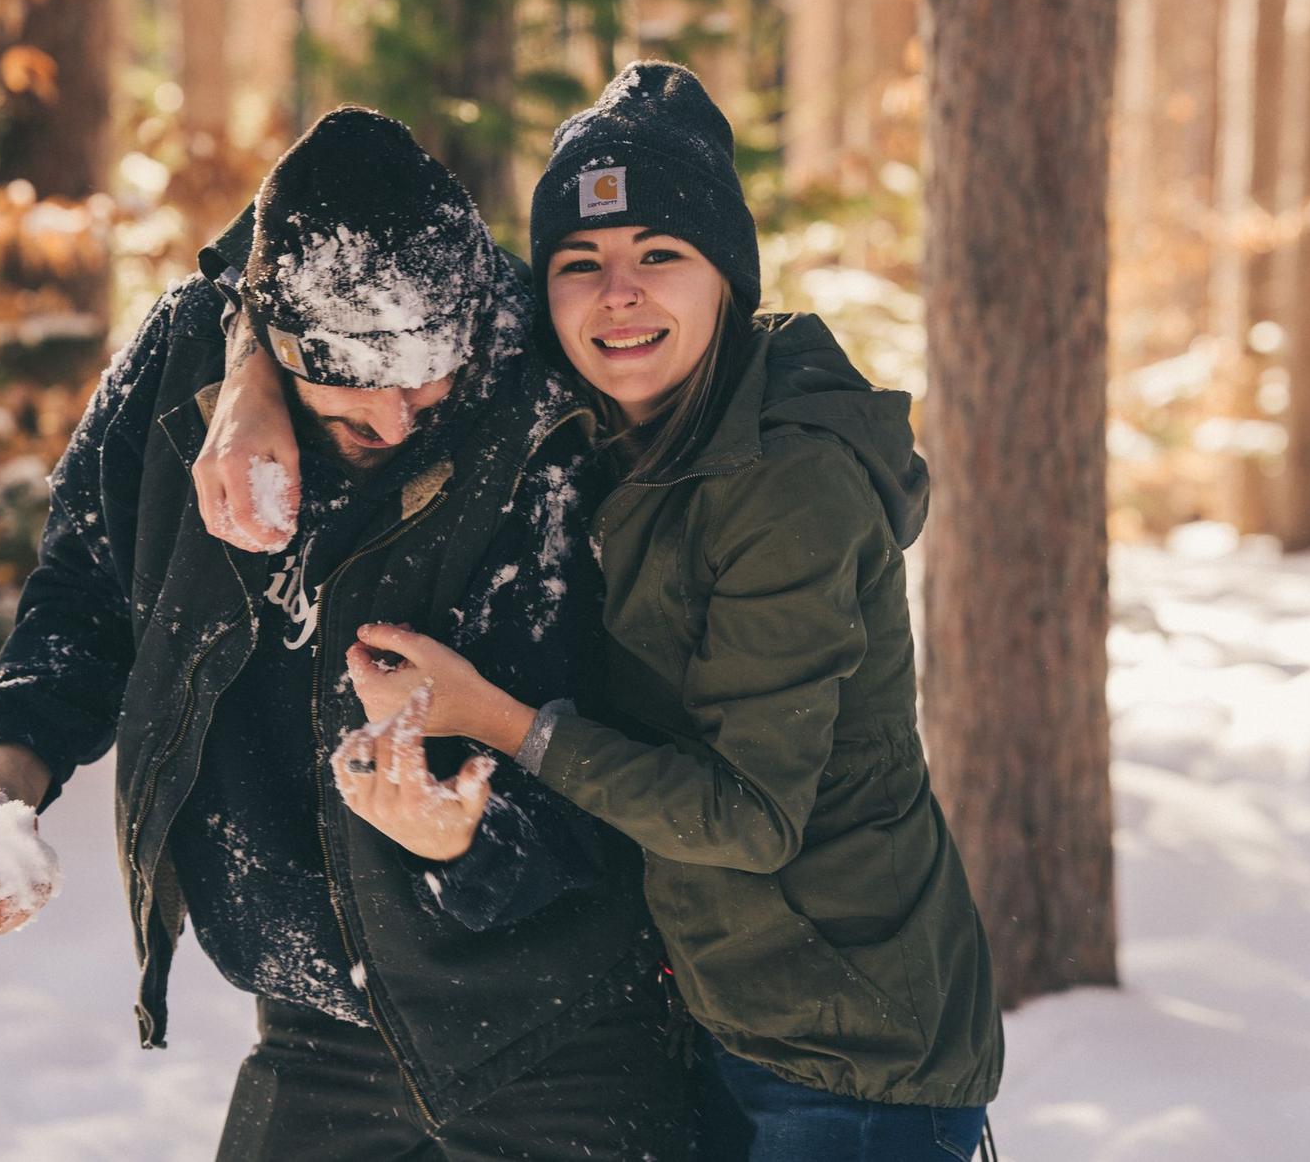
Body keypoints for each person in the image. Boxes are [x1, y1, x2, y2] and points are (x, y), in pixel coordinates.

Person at [198, 63, 1004, 1161]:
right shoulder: (618, 407)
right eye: (580, 264)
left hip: (849, 1057)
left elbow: (748, 817)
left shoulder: (786, 482)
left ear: (727, 276)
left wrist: (494, 720)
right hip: (714, 1020)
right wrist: (251, 370)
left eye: (658, 256)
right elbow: (315, 225)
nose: (617, 294)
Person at [0, 107, 690, 1161]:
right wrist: (3, 783)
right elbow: (84, 589)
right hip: (319, 1025)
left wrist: (466, 835)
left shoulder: (558, 401)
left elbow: (652, 737)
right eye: (354, 409)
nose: (397, 428)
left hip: (562, 1023)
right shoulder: (191, 354)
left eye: (430, 395)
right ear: (273, 340)